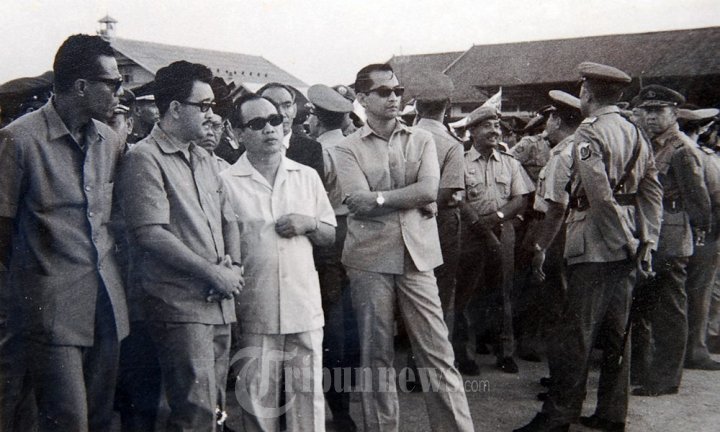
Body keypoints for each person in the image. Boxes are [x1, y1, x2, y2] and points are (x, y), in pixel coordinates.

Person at [515, 62, 663, 432]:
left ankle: (557, 417)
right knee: (617, 333)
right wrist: (646, 242)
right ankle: (612, 414)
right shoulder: (635, 131)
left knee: (576, 334)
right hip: (629, 242)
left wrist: (623, 241)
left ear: (587, 92)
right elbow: (651, 191)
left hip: (597, 242)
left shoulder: (589, 132)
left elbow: (599, 196)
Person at [0, 34, 129, 431]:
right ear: (81, 86)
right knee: (68, 420)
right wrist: (35, 283)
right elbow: (2, 228)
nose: (121, 92)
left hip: (107, 306)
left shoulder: (110, 141)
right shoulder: (19, 140)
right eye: (113, 83)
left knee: (100, 418)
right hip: (51, 310)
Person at [334, 63, 473, 432]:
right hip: (369, 259)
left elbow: (428, 191)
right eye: (384, 92)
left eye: (397, 91)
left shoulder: (422, 139)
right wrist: (407, 199)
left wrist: (380, 198)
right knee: (376, 355)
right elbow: (357, 201)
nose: (394, 97)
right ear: (362, 99)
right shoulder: (347, 148)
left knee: (437, 352)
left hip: (418, 257)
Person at [118, 61, 243, 431]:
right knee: (195, 412)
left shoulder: (205, 158)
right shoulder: (144, 158)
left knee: (216, 408)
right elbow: (151, 234)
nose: (211, 115)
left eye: (212, 106)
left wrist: (233, 268)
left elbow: (229, 219)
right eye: (203, 106)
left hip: (219, 301)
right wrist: (213, 274)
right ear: (174, 108)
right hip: (180, 305)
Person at [221, 94, 336, 432]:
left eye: (274, 120)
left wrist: (308, 223)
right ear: (238, 133)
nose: (269, 129)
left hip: (303, 303)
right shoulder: (226, 182)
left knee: (308, 398)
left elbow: (329, 234)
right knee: (258, 402)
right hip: (256, 306)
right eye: (257, 124)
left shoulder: (306, 176)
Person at [631, 85, 713, 396]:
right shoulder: (649, 144)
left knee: (669, 308)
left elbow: (699, 199)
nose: (651, 117)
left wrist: (699, 231)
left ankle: (666, 377)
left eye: (658, 111)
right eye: (647, 111)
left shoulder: (681, 149)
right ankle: (643, 369)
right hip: (650, 230)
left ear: (674, 113)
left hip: (671, 233)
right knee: (645, 305)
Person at [454, 105, 534, 375]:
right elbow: (458, 200)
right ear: (472, 131)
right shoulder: (460, 162)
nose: (494, 131)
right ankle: (465, 355)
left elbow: (520, 198)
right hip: (470, 234)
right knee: (468, 293)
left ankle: (505, 352)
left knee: (503, 291)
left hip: (502, 231)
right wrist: (479, 224)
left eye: (497, 126)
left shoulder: (510, 162)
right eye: (487, 126)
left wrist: (496, 217)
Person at [306, 83, 359, 430]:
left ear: (316, 117)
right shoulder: (354, 146)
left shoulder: (319, 151)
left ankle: (337, 408)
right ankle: (345, 402)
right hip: (353, 232)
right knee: (349, 320)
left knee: (329, 321)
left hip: (328, 235)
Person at [525, 90, 582, 401]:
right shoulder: (572, 148)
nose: (546, 123)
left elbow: (557, 208)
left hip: (557, 232)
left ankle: (562, 381)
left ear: (558, 120)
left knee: (556, 308)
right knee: (559, 307)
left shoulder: (563, 154)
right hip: (563, 230)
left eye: (549, 118)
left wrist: (541, 248)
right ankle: (560, 376)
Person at [678, 107, 720, 370]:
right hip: (704, 232)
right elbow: (717, 199)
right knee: (700, 292)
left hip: (675, 229)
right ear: (703, 128)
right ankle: (695, 349)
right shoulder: (705, 157)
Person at [257, 82, 324, 178]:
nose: (282, 113)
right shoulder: (248, 148)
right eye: (273, 106)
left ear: (295, 110)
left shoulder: (311, 149)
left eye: (287, 106)